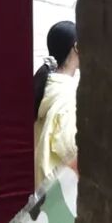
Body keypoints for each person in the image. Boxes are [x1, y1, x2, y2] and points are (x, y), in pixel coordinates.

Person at [33, 21, 79, 187]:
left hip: (44, 185)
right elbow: (70, 147)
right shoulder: (67, 95)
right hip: (61, 191)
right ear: (77, 47)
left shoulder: (47, 85)